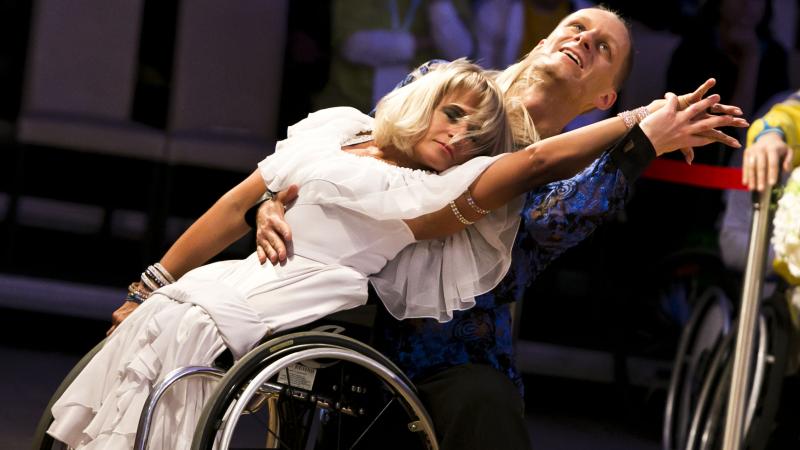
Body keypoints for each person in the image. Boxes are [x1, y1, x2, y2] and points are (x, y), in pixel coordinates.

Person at [251, 7, 747, 449]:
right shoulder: (444, 81)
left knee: (484, 399)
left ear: (605, 97)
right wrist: (278, 199)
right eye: (576, 28)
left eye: (603, 49)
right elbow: (360, 150)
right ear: (541, 44)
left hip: (448, 351)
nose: (583, 41)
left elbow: (545, 225)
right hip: (352, 298)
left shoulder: (582, 170)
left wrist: (640, 145)